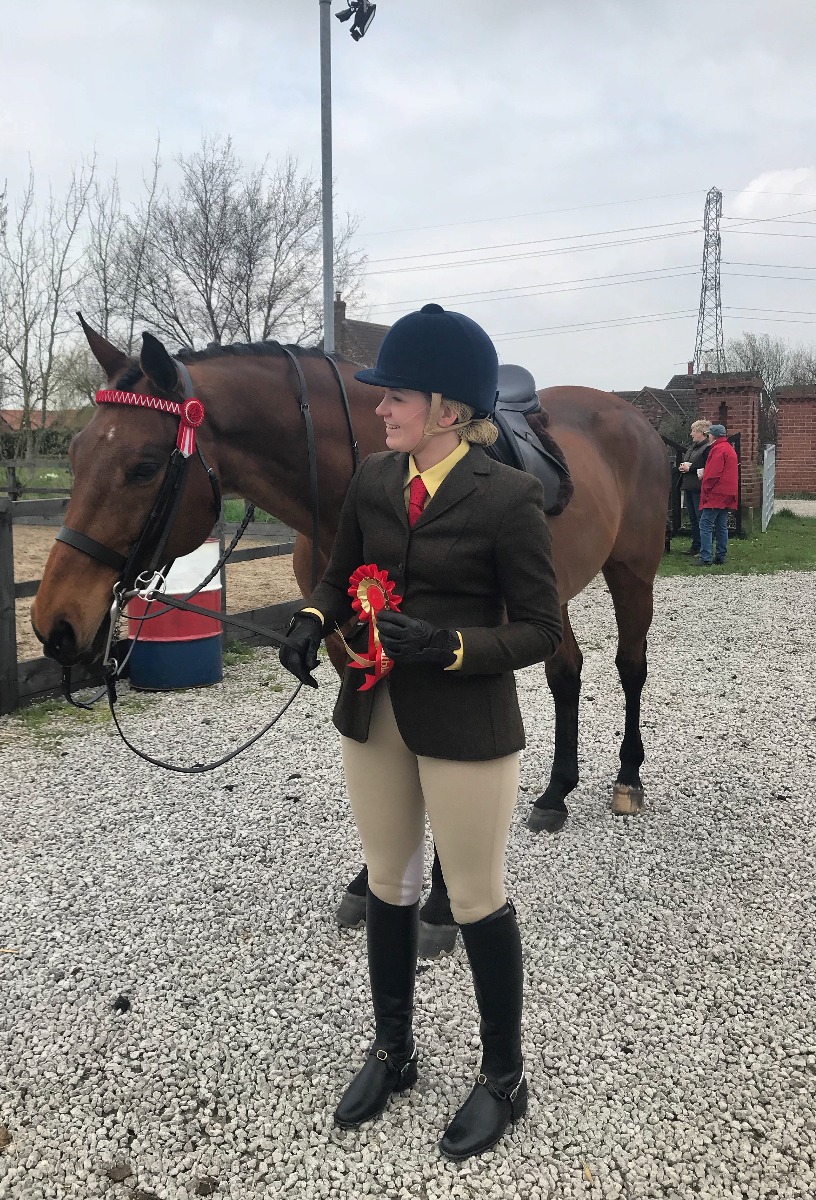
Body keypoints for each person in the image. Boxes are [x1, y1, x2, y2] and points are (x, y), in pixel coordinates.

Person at [278, 304, 562, 1160]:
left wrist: (454, 646)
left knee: (472, 896)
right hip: (374, 713)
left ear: (445, 408)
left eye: (394, 396)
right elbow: (336, 577)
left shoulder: (508, 497)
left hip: (467, 720)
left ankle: (504, 1076)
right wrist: (307, 619)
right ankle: (394, 1050)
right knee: (391, 885)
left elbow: (543, 628)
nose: (380, 410)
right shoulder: (372, 479)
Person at [697, 423, 738, 566]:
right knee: (721, 525)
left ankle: (705, 557)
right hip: (727, 492)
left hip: (716, 493)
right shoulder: (729, 449)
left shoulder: (717, 450)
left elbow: (713, 474)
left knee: (705, 524)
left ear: (713, 435)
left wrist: (706, 487)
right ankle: (721, 555)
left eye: (709, 434)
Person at [677, 420, 712, 554]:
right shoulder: (693, 447)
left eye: (694, 431)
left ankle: (703, 546)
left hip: (699, 487)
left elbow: (707, 467)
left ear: (702, 433)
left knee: (700, 518)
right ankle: (696, 545)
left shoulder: (707, 448)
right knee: (692, 518)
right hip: (689, 486)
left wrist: (690, 468)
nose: (691, 434)